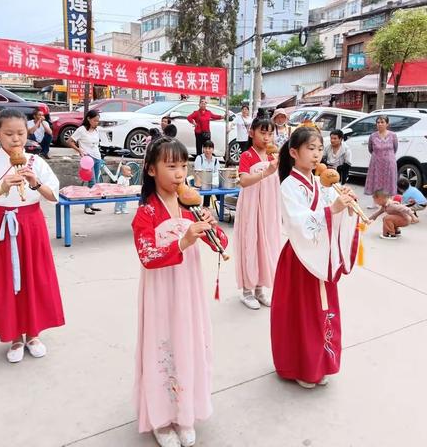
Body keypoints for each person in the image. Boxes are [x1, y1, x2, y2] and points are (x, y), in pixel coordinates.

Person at [131, 137, 228, 447]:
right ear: (150, 170)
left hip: (188, 290)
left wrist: (210, 225)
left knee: (189, 344)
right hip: (161, 292)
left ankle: (186, 413)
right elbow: (147, 255)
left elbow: (220, 244)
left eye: (183, 166)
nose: (179, 174)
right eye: (171, 166)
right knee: (164, 347)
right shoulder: (146, 213)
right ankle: (161, 419)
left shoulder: (190, 207)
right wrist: (183, 241)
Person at [0, 109, 64, 363]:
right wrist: (1, 188)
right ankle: (14, 336)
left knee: (34, 276)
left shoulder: (37, 162)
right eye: (9, 134)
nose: (15, 139)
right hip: (3, 222)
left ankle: (33, 334)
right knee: (7, 279)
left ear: (28, 132)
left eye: (21, 133)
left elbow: (53, 195)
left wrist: (35, 183)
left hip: (32, 223)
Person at [271, 127, 359, 389]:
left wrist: (346, 205)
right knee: (302, 314)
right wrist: (332, 210)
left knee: (322, 312)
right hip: (300, 257)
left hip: (322, 256)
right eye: (311, 148)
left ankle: (321, 363)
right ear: (294, 152)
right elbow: (298, 223)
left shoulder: (324, 184)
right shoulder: (289, 185)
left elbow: (335, 213)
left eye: (320, 149)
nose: (317, 154)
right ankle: (300, 365)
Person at [234, 117, 281, 310]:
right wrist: (266, 172)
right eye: (263, 132)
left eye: (270, 133)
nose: (267, 137)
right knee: (250, 244)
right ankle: (247, 291)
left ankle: (260, 290)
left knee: (266, 245)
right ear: (252, 132)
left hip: (269, 207)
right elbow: (243, 181)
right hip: (251, 207)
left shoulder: (274, 156)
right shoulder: (247, 156)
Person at [67, 110, 102, 215]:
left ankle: (91, 204)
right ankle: (87, 207)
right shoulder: (81, 130)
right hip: (87, 159)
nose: (97, 123)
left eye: (98, 121)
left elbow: (96, 144)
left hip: (97, 157)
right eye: (95, 121)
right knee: (91, 181)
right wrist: (79, 150)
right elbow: (70, 141)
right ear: (88, 119)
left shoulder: (96, 130)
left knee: (95, 183)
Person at [365, 115, 398, 202]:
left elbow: (395, 148)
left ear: (387, 124)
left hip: (389, 162)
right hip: (376, 162)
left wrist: (387, 156)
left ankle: (390, 201)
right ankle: (375, 202)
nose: (380, 124)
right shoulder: (372, 136)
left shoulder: (393, 135)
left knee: (389, 181)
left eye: (382, 122)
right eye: (378, 122)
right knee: (376, 181)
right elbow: (370, 149)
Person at [194, 140, 220, 208]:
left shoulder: (215, 160)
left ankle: (222, 206)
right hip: (201, 182)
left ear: (213, 149)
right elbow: (198, 172)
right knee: (207, 187)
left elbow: (217, 173)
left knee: (219, 189)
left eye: (209, 148)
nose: (207, 150)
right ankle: (206, 206)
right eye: (205, 148)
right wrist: (209, 176)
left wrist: (209, 176)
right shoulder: (199, 158)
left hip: (212, 183)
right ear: (203, 149)